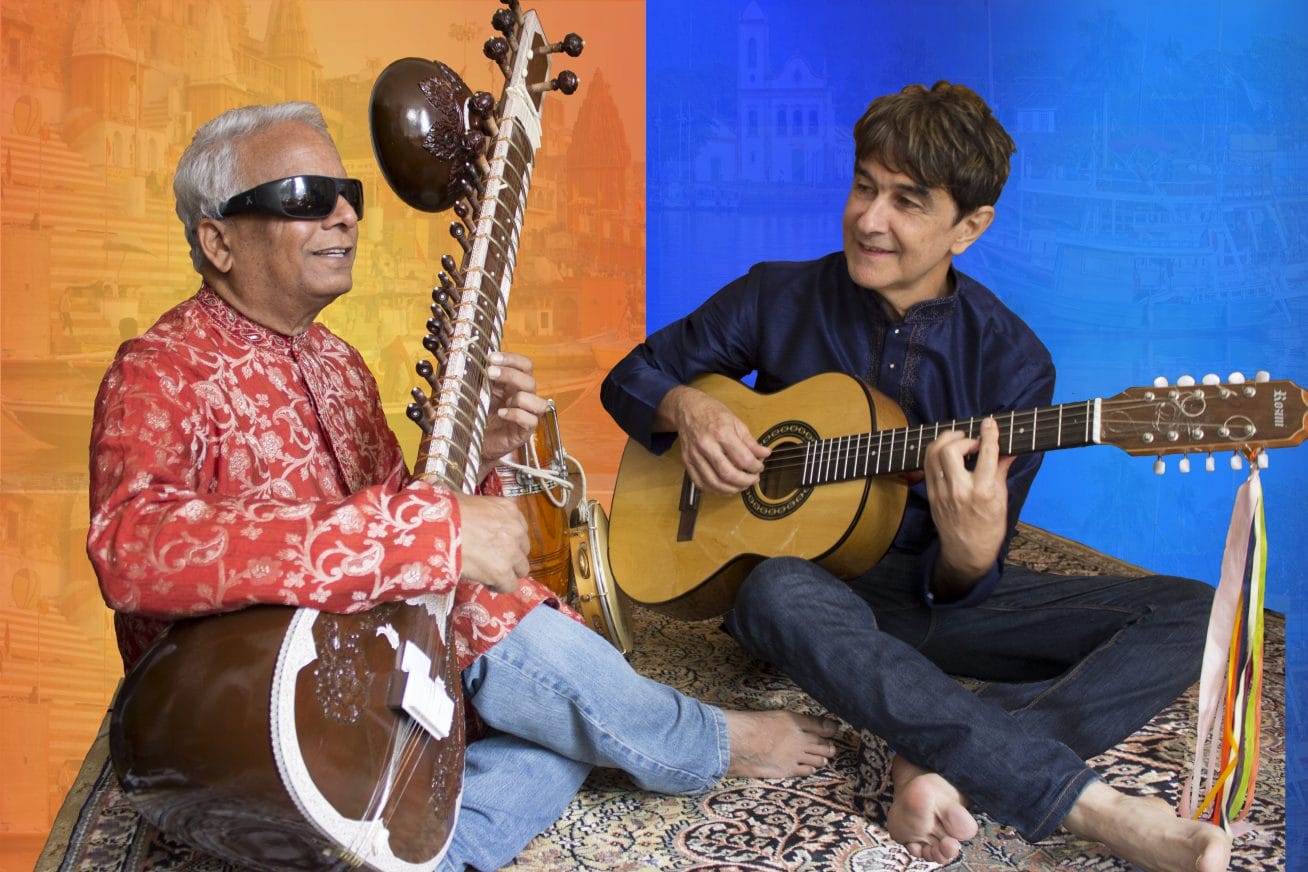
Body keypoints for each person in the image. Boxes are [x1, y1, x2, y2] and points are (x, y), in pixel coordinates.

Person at [86, 102, 837, 872]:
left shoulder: (338, 364)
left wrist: (482, 457)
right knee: (518, 654)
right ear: (218, 239)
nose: (344, 215)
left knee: (560, 732)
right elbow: (133, 548)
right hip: (249, 716)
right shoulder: (161, 369)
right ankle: (702, 741)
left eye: (349, 194)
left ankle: (410, 849)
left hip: (368, 667)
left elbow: (392, 518)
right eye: (306, 197)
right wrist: (427, 534)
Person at [601, 82, 1231, 872]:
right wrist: (688, 407)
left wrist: (969, 551)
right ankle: (1086, 805)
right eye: (865, 186)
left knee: (1201, 615)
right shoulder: (777, 293)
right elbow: (632, 376)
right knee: (774, 590)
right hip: (799, 587)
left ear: (969, 228)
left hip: (923, 599)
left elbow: (968, 585)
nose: (870, 219)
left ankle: (938, 757)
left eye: (907, 202)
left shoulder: (1014, 362)